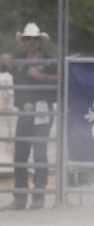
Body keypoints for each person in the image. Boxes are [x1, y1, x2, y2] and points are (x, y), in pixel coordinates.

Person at [0, 23, 57, 210]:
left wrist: (40, 76)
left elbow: (60, 78)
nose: (31, 42)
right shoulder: (18, 59)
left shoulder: (48, 60)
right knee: (21, 154)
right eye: (28, 39)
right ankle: (20, 197)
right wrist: (4, 59)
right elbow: (4, 65)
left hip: (42, 109)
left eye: (34, 39)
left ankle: (38, 196)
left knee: (40, 153)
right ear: (23, 41)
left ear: (39, 42)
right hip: (25, 110)